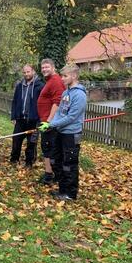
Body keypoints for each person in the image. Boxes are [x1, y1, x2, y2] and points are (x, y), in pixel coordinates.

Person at [38, 64, 87, 201]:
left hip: (71, 135)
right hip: (60, 132)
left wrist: (52, 124)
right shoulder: (66, 93)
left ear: (74, 76)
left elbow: (71, 117)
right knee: (56, 160)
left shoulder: (79, 95)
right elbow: (60, 113)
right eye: (62, 75)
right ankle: (62, 189)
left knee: (69, 164)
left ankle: (70, 194)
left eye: (65, 76)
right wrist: (49, 124)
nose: (62, 78)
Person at [37, 58, 66, 185]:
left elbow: (57, 102)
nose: (44, 69)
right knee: (46, 149)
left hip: (50, 124)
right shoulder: (50, 81)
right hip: (46, 122)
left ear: (53, 68)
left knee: (50, 149)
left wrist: (48, 122)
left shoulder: (55, 81)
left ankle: (53, 176)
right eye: (43, 67)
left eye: (47, 67)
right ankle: (49, 174)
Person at [9, 64, 44, 167]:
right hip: (20, 119)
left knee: (31, 143)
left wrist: (41, 118)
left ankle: (29, 162)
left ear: (33, 71)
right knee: (16, 140)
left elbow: (43, 103)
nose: (26, 74)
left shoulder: (40, 86)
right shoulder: (19, 86)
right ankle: (14, 159)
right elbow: (14, 101)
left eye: (28, 72)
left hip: (33, 119)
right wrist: (13, 116)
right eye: (24, 72)